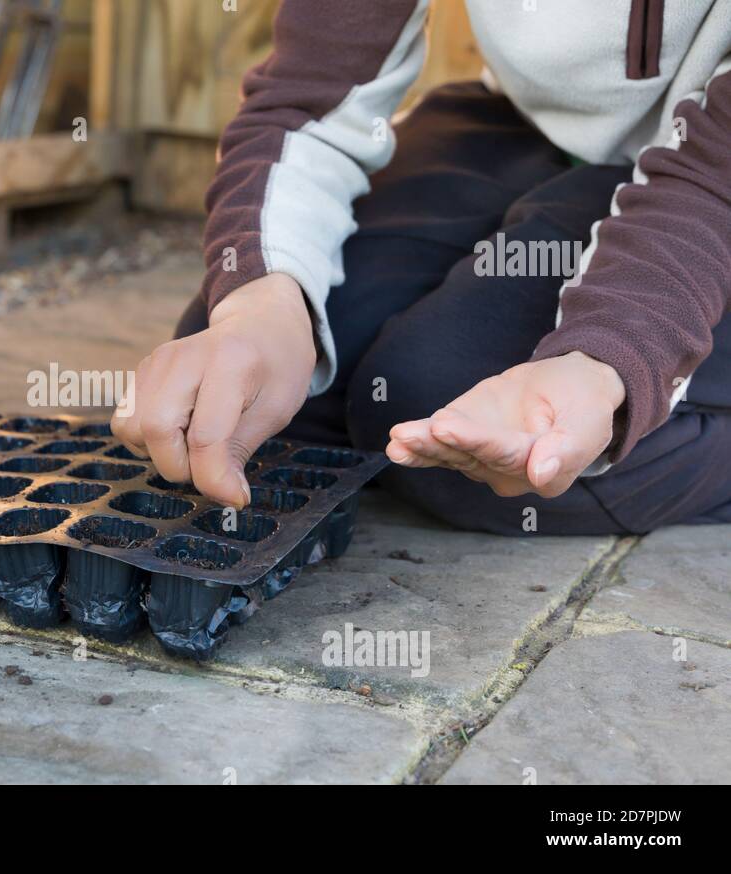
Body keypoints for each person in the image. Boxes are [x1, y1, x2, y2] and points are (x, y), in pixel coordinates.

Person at [111, 0, 731, 536]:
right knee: (256, 390)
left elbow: (714, 182)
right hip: (534, 128)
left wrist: (607, 361)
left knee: (451, 416)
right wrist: (259, 303)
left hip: (714, 186)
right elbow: (309, 92)